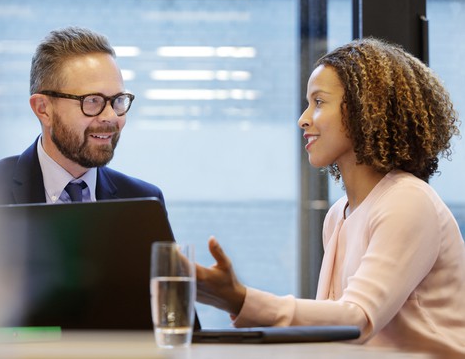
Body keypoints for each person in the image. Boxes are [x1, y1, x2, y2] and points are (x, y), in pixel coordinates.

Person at [196, 38, 465, 356]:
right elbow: (332, 335)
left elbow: (356, 322)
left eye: (319, 102)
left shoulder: (407, 201)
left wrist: (240, 299)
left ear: (366, 111)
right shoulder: (339, 215)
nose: (303, 119)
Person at [0, 26, 164, 206]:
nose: (111, 116)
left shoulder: (144, 201)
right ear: (43, 109)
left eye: (118, 100)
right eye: (92, 100)